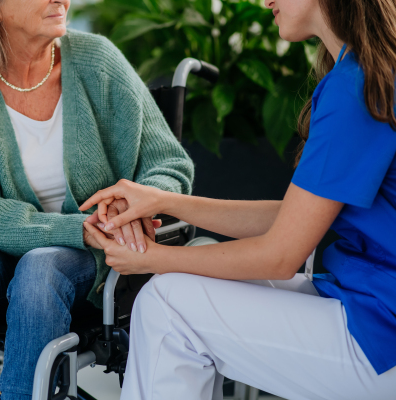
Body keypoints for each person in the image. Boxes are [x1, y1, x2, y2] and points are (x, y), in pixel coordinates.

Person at [80, 0, 396, 398]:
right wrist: (162, 201)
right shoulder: (370, 74)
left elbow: (281, 256)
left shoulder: (357, 88)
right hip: (371, 307)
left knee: (167, 303)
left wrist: (150, 259)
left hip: (380, 333)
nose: (265, 2)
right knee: (181, 284)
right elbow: (296, 218)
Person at [0, 0, 194, 399]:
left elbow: (169, 163)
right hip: (5, 243)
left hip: (92, 252)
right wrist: (80, 228)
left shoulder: (97, 61)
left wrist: (133, 204)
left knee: (41, 268)